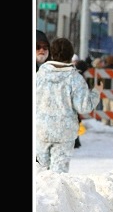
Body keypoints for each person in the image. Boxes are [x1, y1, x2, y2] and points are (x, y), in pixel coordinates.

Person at [35, 37, 103, 173]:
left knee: (40, 171)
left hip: (41, 129)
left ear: (52, 53)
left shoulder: (39, 75)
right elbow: (84, 107)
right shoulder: (75, 78)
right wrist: (96, 92)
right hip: (64, 132)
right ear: (71, 55)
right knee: (58, 174)